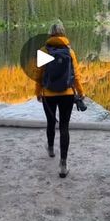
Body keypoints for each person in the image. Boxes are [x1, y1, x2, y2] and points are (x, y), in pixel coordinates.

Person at [35, 20, 85, 178]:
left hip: (48, 94)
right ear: (63, 33)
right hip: (67, 94)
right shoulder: (70, 52)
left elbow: (38, 75)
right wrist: (81, 92)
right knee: (64, 127)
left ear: (50, 33)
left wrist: (38, 92)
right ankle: (63, 165)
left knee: (51, 122)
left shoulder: (44, 50)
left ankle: (50, 149)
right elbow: (76, 75)